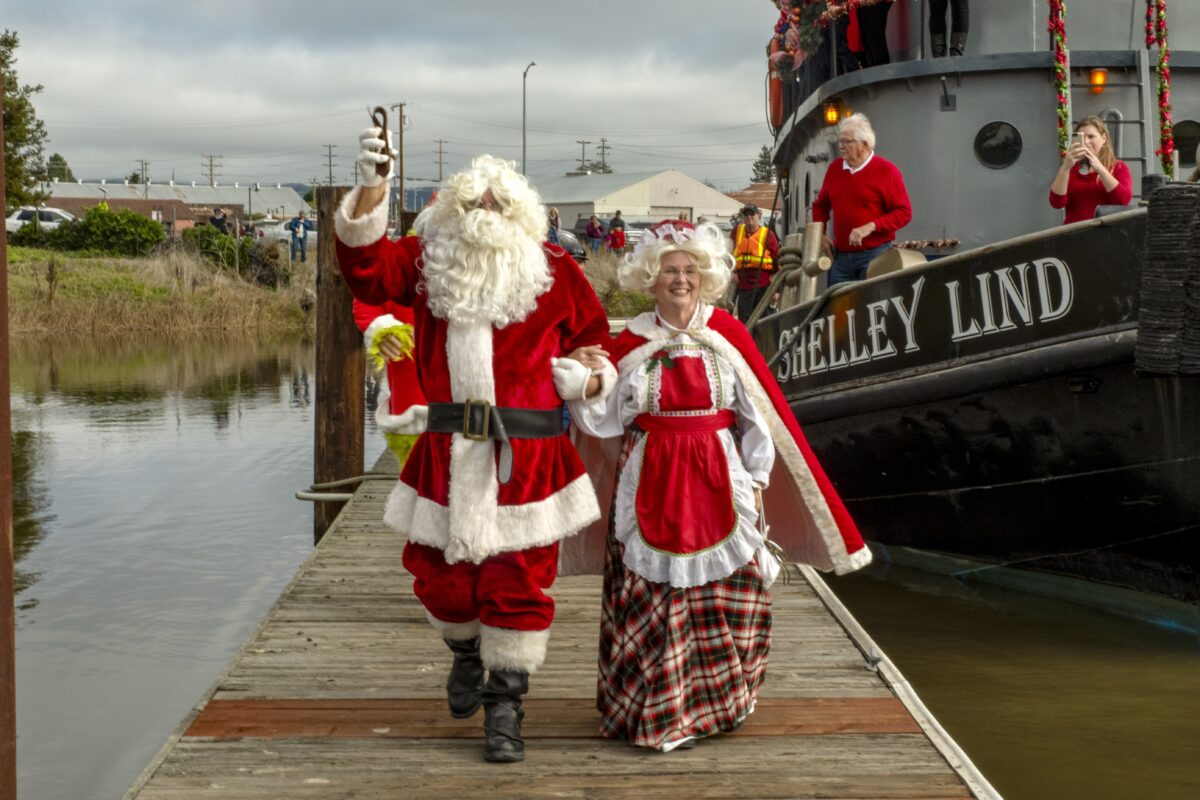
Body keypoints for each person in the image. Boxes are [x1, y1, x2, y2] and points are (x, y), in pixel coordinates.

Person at [336, 129, 617, 763]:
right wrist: (373, 183)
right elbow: (362, 269)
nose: (484, 215)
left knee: (518, 581)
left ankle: (506, 706)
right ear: (452, 213)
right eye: (472, 206)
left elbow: (598, 341)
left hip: (529, 457)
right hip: (446, 455)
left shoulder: (557, 270)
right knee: (441, 579)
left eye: (497, 205)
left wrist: (590, 374)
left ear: (521, 215)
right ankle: (465, 650)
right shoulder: (425, 261)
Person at [563, 219, 871, 752]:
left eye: (689, 271)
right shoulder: (632, 339)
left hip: (719, 480)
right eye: (668, 272)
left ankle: (718, 705)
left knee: (734, 597)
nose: (680, 280)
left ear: (703, 277)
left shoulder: (728, 333)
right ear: (650, 280)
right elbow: (603, 418)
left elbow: (758, 419)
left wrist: (756, 479)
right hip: (650, 481)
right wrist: (582, 379)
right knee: (650, 599)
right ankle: (655, 712)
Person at [812, 113, 912, 286]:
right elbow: (820, 205)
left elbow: (904, 213)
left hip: (875, 255)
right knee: (839, 309)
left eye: (846, 142)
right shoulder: (835, 169)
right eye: (840, 141)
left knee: (873, 307)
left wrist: (871, 226)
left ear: (864, 144)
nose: (841, 146)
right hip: (840, 258)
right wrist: (820, 234)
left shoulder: (887, 171)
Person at [353, 298, 426, 467]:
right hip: (414, 412)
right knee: (419, 484)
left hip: (484, 411)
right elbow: (368, 297)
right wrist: (381, 328)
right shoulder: (401, 273)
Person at [1048, 115, 1133, 224]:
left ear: (1104, 139)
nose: (1086, 142)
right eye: (1082, 138)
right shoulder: (1071, 169)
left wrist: (1100, 169)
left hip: (1107, 234)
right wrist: (1065, 167)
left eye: (1091, 136)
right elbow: (1056, 203)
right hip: (1075, 234)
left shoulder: (1118, 167)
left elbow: (1123, 201)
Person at [731, 203, 780, 322]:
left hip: (763, 284)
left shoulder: (768, 234)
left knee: (764, 320)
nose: (749, 217)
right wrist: (732, 272)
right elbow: (729, 253)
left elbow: (776, 259)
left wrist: (777, 288)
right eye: (746, 214)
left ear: (758, 215)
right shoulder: (737, 231)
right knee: (745, 320)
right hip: (744, 285)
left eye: (752, 214)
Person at [857, 0, 894, 67]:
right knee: (866, 40)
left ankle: (881, 73)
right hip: (863, 4)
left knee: (875, 40)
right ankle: (873, 73)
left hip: (874, 4)